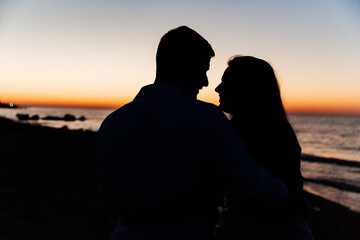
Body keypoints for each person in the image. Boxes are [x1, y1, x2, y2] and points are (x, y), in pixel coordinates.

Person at [97, 26, 288, 240]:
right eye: (203, 70)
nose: (206, 82)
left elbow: (110, 202)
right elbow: (252, 181)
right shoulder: (207, 118)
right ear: (183, 66)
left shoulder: (111, 124)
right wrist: (288, 196)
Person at [215, 55, 313, 239]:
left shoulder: (238, 136)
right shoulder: (278, 130)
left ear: (246, 89)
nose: (217, 88)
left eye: (225, 83)